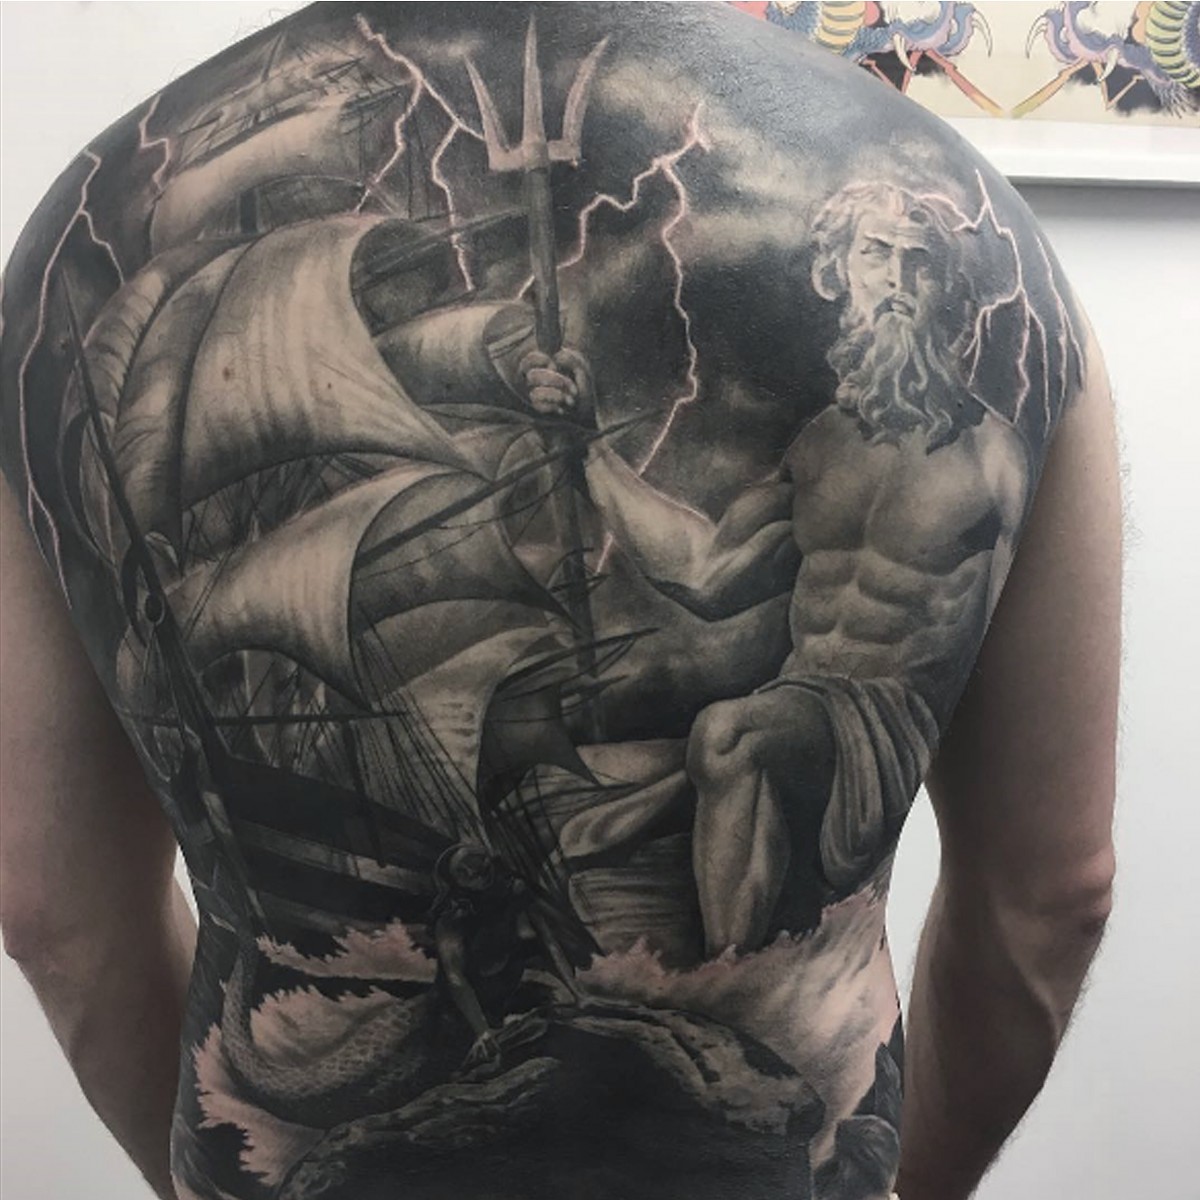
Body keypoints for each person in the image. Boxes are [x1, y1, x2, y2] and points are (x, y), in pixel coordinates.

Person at [0, 5, 1119, 1200]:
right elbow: (1048, 903)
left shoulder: (70, 251)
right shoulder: (1000, 243)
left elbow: (54, 912)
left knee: (714, 745)